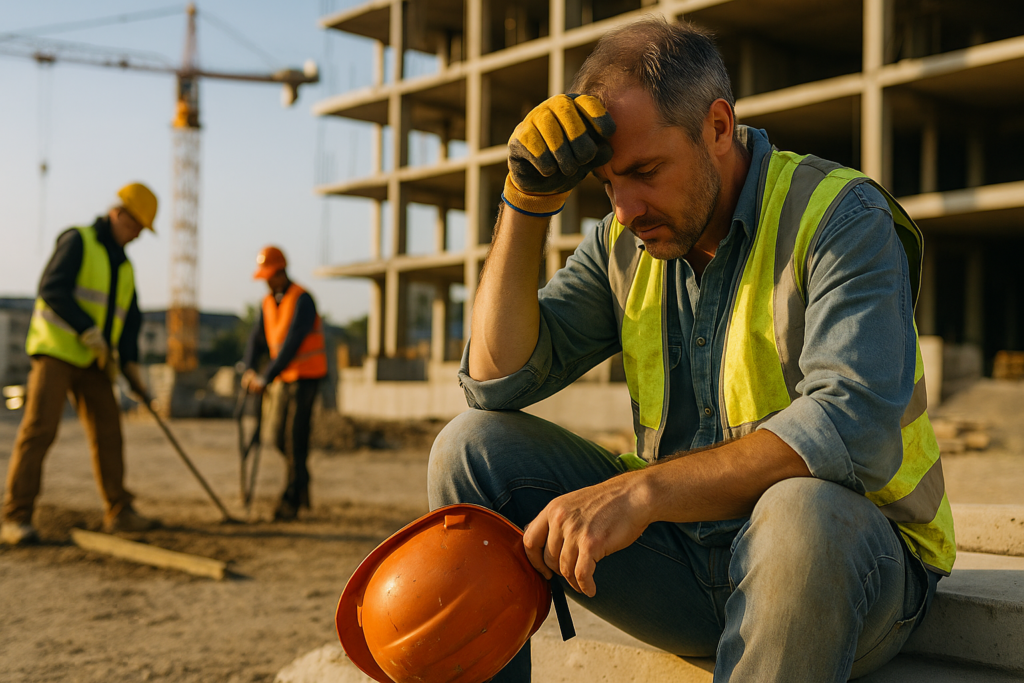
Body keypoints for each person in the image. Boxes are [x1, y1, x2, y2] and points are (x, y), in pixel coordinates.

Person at [427, 17, 955, 682]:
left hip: (848, 566)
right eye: (608, 184)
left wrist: (642, 491)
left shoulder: (839, 218)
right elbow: (493, 382)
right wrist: (525, 199)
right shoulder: (626, 240)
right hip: (687, 561)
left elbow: (850, 432)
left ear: (718, 127)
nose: (625, 208)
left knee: (800, 509)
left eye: (646, 171)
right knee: (467, 446)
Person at [1, 183, 160, 545]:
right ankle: (15, 516)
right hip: (56, 351)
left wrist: (133, 373)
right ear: (118, 214)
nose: (136, 235)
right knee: (39, 430)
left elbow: (129, 324)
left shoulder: (125, 266)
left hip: (93, 361)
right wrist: (87, 330)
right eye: (135, 226)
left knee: (109, 431)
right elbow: (51, 288)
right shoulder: (78, 241)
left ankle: (119, 512)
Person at [241, 246, 328, 521]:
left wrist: (267, 376)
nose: (266, 281)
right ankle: (301, 481)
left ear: (281, 272)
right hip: (285, 378)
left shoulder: (303, 299)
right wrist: (248, 368)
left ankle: (290, 501)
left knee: (295, 438)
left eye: (270, 275)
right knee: (278, 436)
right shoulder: (267, 303)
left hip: (307, 376)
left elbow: (293, 341)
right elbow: (256, 340)